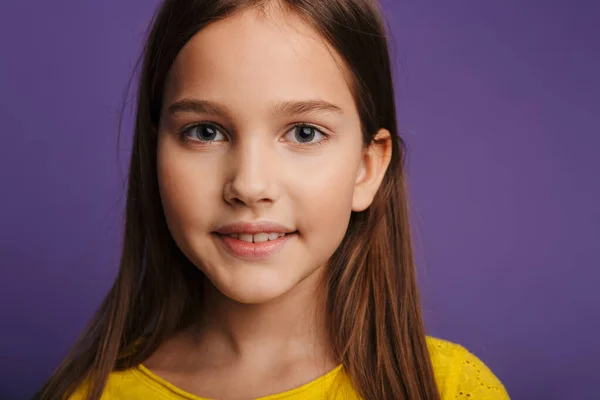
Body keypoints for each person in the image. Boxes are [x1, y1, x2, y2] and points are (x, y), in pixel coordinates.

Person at [36, 0, 510, 399]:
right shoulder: (87, 393)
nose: (250, 184)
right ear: (155, 152)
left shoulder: (447, 388)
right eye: (205, 132)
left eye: (304, 133)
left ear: (367, 168)